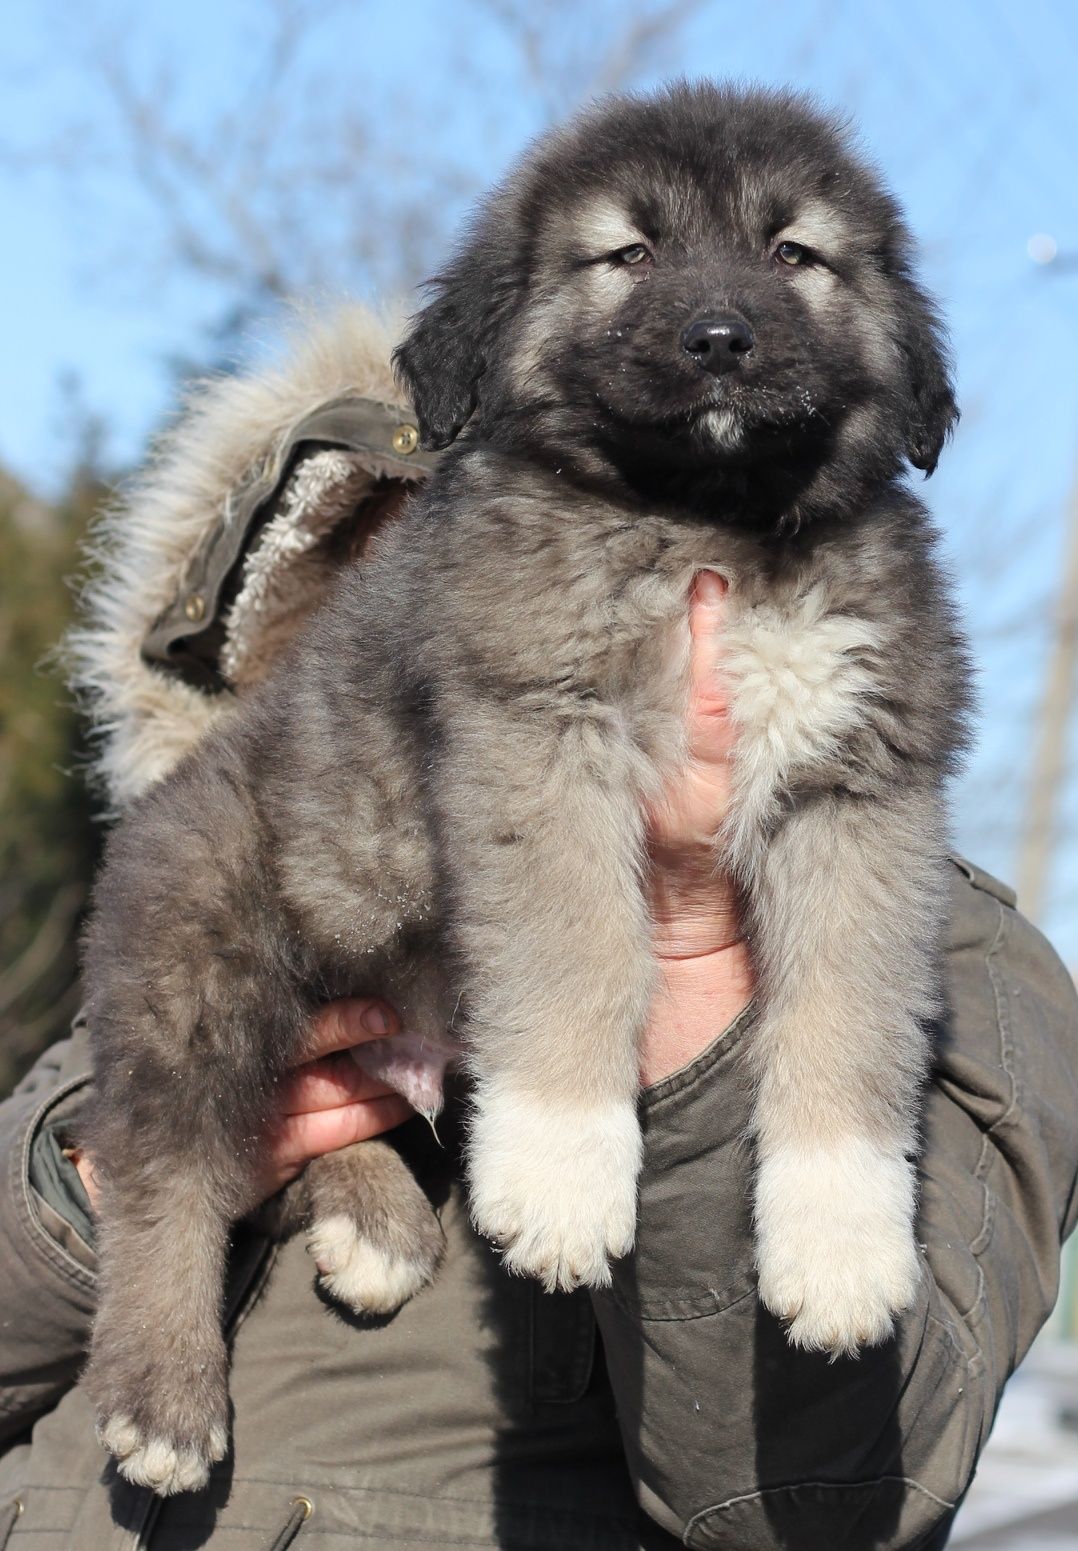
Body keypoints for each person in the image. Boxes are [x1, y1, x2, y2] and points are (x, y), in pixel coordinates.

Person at [1, 306, 1076, 1551]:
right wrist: (98, 1191)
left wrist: (681, 922)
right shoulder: (195, 931)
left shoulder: (952, 965)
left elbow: (827, 1503)